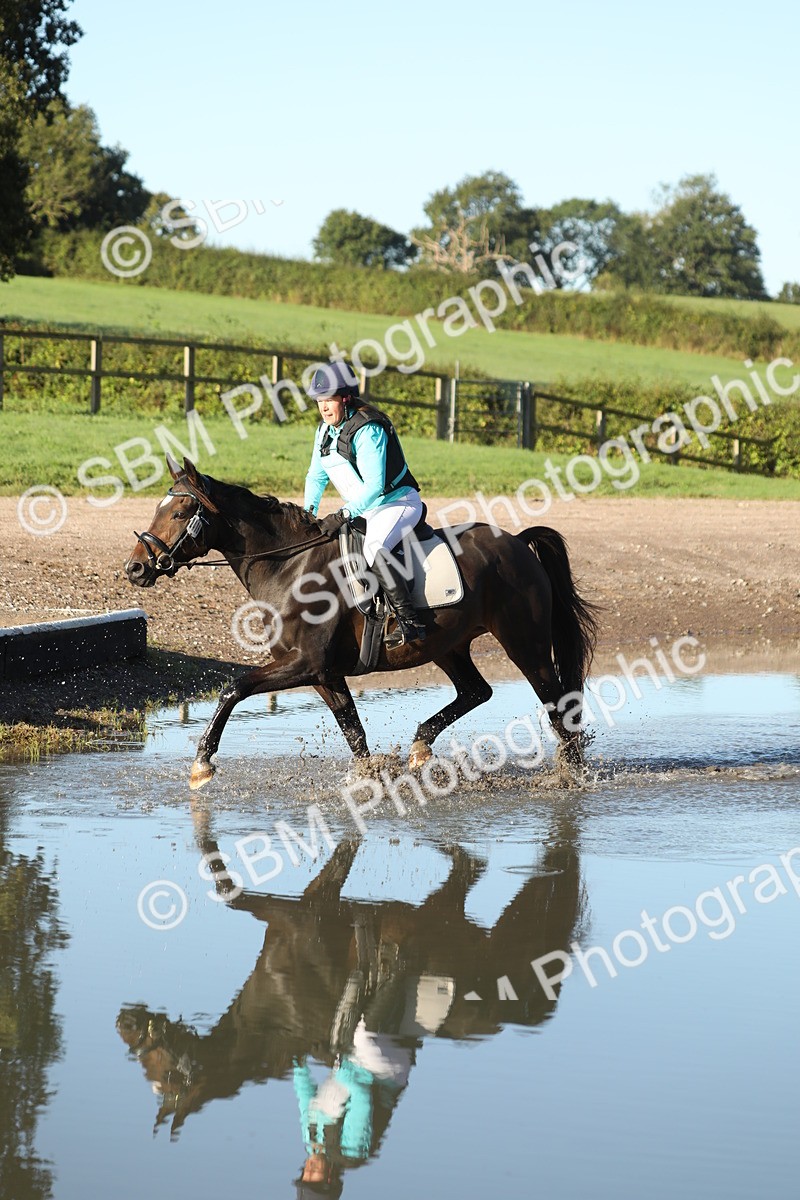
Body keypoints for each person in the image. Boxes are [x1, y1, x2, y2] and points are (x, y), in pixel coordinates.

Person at [303, 361, 427, 647]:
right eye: (319, 401)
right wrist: (308, 514)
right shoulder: (324, 432)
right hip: (367, 510)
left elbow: (374, 485)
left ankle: (411, 622)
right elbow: (316, 476)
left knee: (374, 547)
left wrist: (343, 513)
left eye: (329, 400)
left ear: (345, 398)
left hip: (397, 504)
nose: (323, 407)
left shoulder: (369, 430)